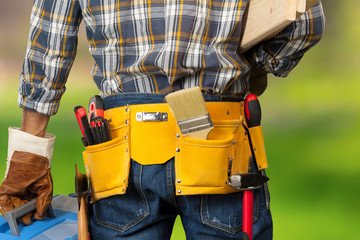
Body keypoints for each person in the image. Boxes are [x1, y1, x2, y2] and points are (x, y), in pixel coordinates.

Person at [0, 0, 325, 239]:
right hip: (221, 138)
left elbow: (50, 40)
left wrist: (29, 154)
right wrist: (249, 64)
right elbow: (305, 23)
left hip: (122, 145)